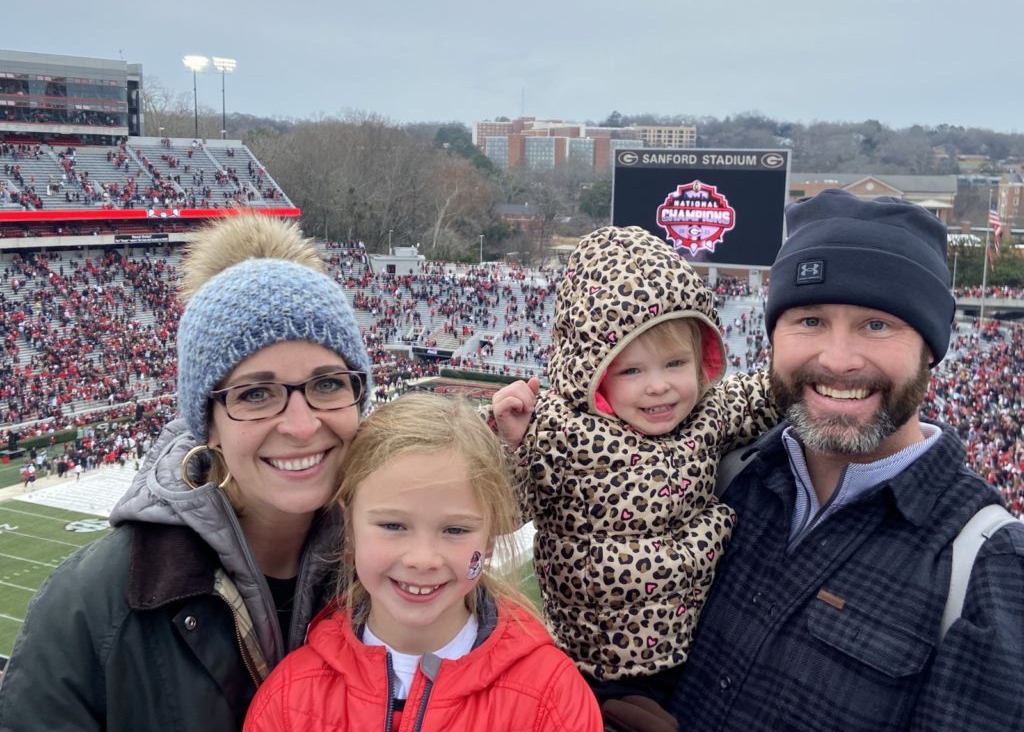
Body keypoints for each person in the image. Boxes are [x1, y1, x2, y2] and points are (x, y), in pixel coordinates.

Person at [0, 212, 373, 732]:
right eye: (256, 394)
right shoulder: (90, 606)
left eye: (328, 384)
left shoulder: (398, 571)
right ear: (208, 424)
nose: (301, 424)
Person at [668, 189, 1024, 730]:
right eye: (809, 320)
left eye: (876, 325)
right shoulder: (719, 475)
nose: (837, 360)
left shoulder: (986, 568)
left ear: (930, 347)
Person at [491, 225, 779, 730]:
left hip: (694, 643)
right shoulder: (560, 434)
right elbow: (501, 512)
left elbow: (766, 392)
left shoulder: (708, 415)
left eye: (675, 363)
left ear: (703, 360)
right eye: (631, 372)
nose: (660, 386)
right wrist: (512, 443)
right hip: (597, 656)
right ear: (592, 373)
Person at [243, 392, 603, 731]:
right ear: (349, 525)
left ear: (490, 538)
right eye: (393, 525)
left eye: (455, 530)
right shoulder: (289, 697)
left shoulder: (551, 696)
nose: (422, 559)